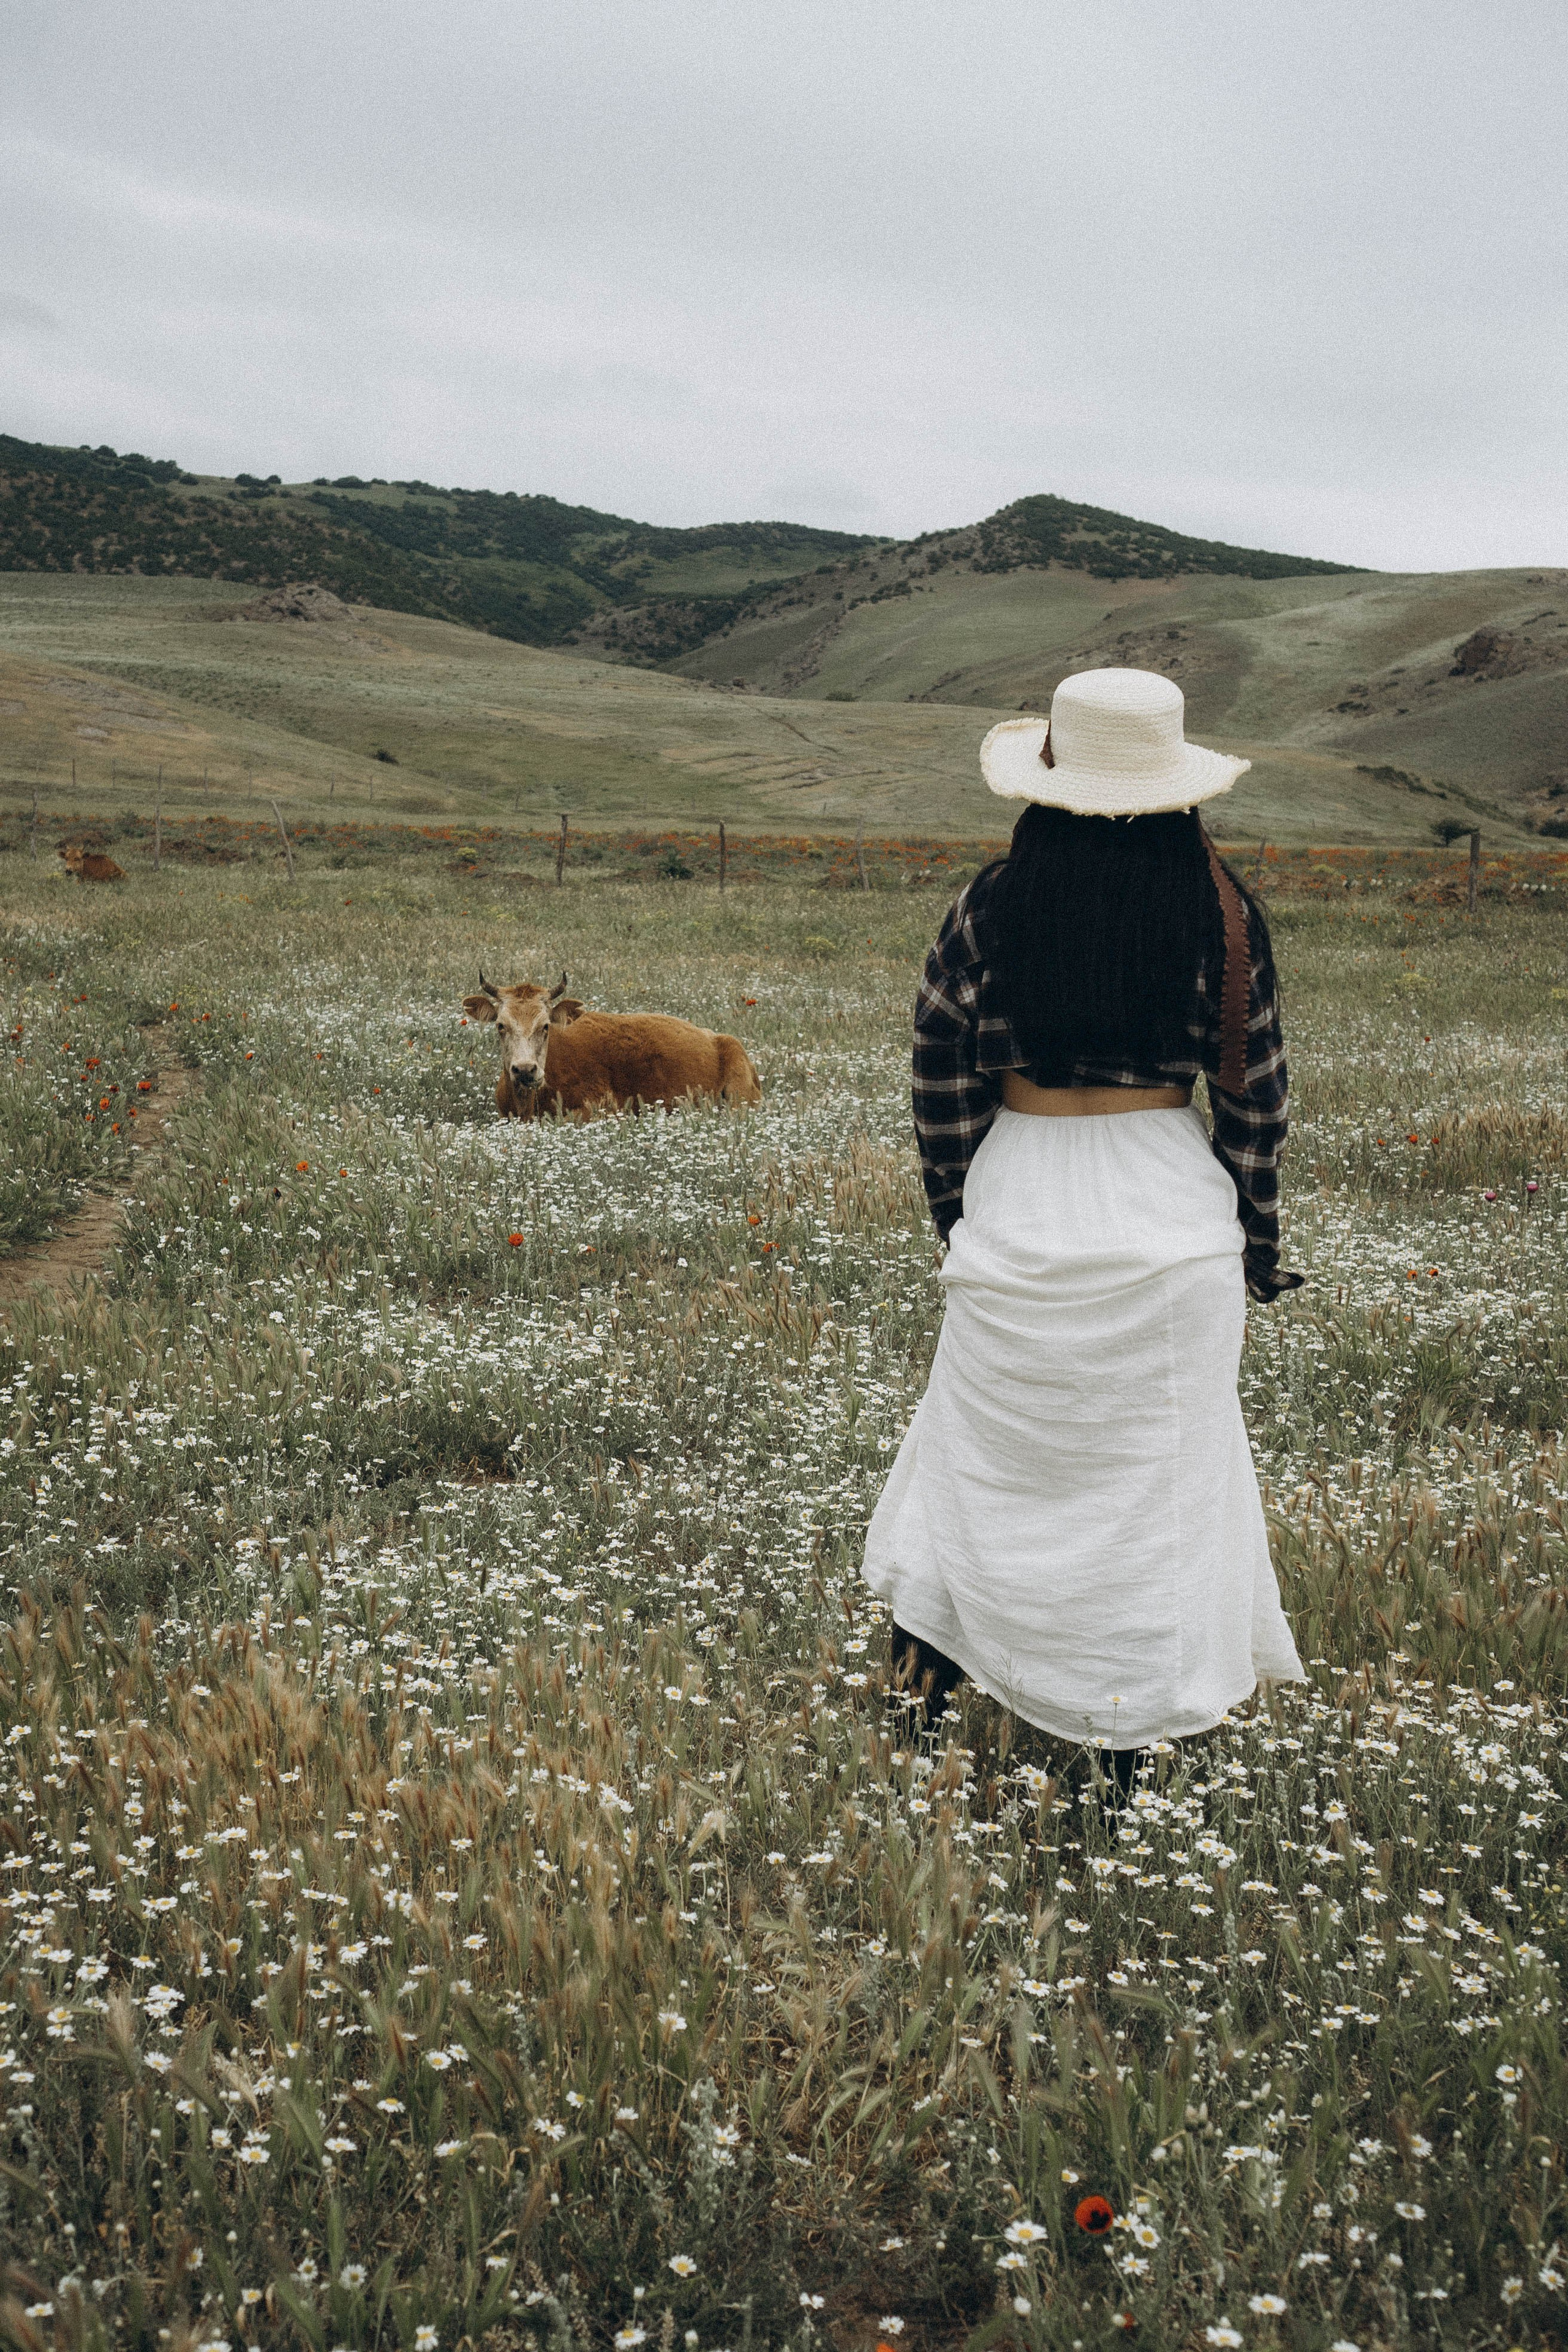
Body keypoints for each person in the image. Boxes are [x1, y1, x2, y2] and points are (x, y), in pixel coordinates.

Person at [862, 666, 1306, 1801]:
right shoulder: (1221, 911)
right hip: (1169, 1214)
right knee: (1153, 1493)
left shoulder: (991, 904)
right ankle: (1123, 1764)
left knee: (978, 1468)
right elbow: (1254, 1098)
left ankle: (917, 1720)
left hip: (1024, 1192)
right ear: (1174, 787)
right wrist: (1255, 1242)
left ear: (1048, 776)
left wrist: (962, 1214)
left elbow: (939, 1076)